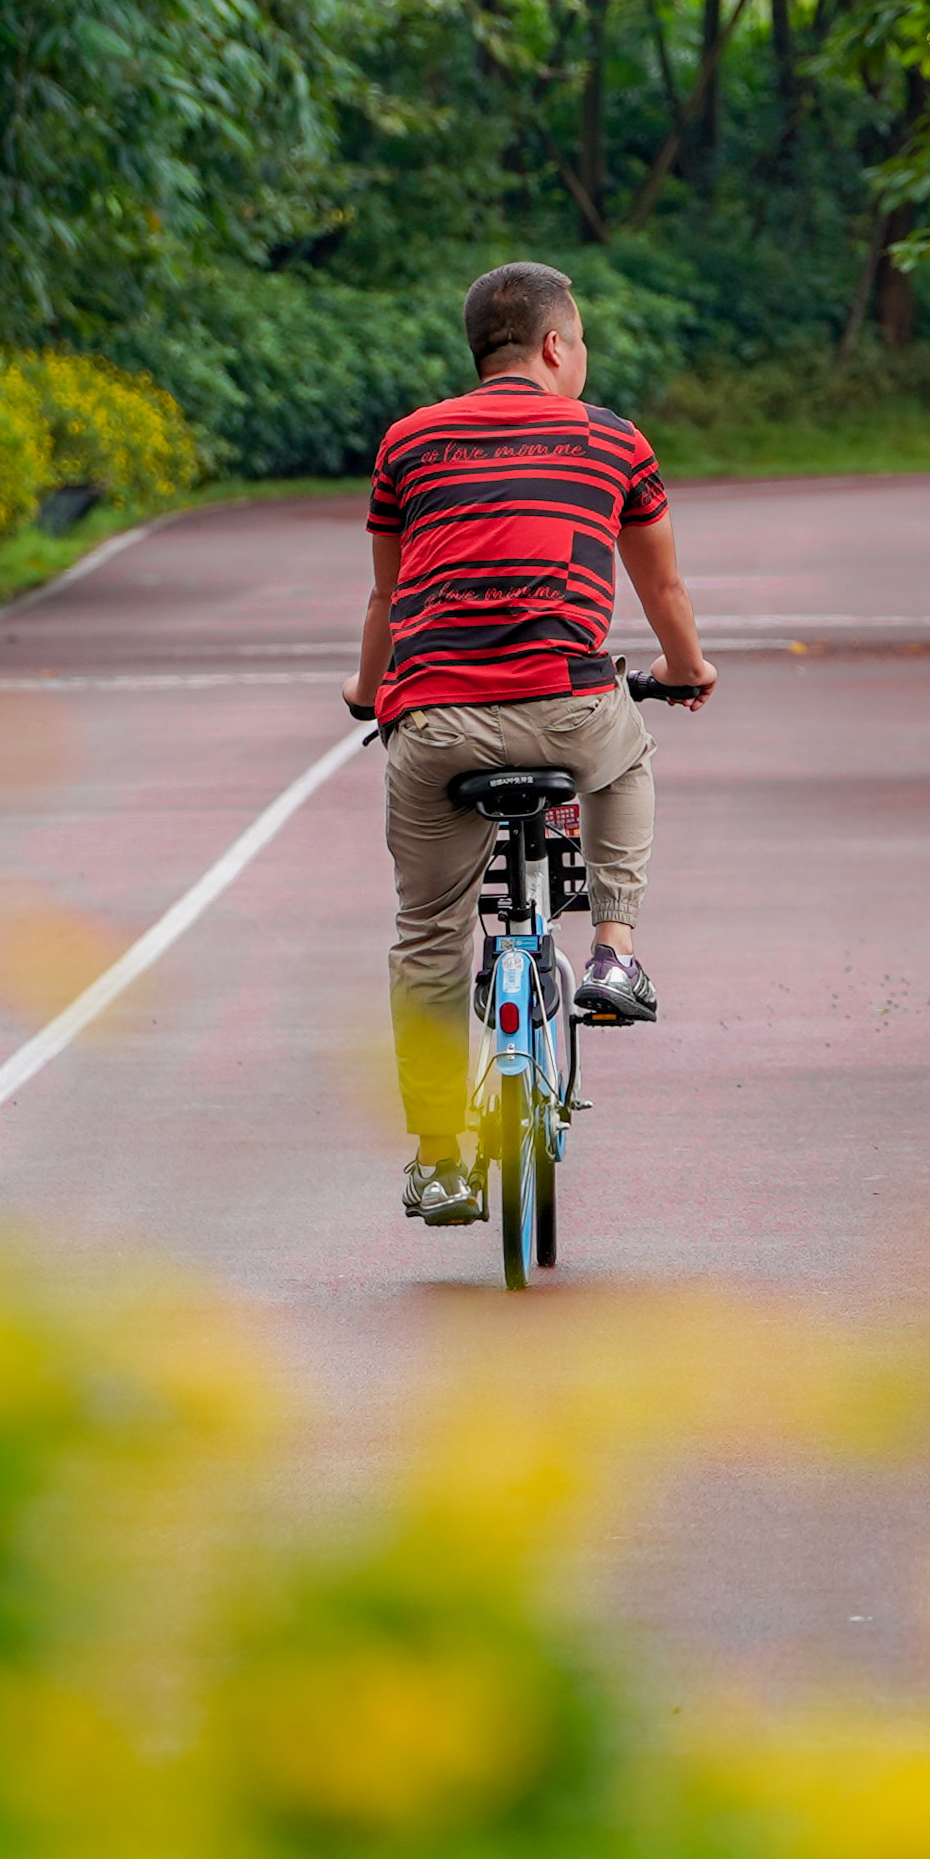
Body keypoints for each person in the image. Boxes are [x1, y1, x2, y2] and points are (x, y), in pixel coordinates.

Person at [345, 259, 712, 1226]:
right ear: (556, 346)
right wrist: (687, 671)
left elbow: (388, 596)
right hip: (568, 709)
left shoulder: (406, 443)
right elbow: (661, 591)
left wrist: (364, 689)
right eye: (580, 341)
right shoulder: (612, 442)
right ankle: (613, 953)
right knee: (628, 752)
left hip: (432, 720)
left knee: (428, 935)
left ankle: (440, 1163)